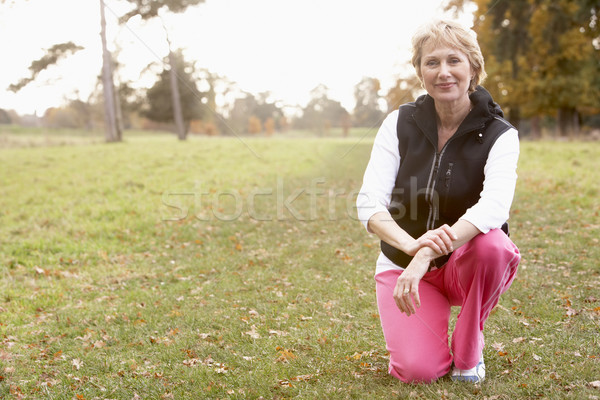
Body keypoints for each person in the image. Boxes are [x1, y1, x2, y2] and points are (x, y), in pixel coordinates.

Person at [356, 19, 521, 384]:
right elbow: (369, 204)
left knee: (493, 244)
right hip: (406, 267)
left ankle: (468, 349)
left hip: (467, 263)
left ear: (473, 68)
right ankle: (428, 345)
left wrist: (427, 254)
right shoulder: (399, 124)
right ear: (419, 71)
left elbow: (493, 208)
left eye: (454, 61)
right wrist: (411, 247)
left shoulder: (500, 135)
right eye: (432, 63)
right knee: (417, 372)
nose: (443, 72)